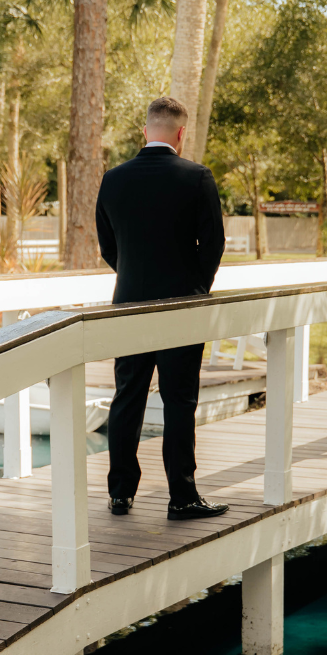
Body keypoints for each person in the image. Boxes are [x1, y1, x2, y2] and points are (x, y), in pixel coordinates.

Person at [96, 97, 228, 521]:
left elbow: (108, 246)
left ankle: (120, 494)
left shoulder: (113, 179)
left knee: (127, 398)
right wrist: (194, 289)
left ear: (145, 130)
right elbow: (213, 245)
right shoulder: (197, 177)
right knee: (179, 402)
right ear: (181, 134)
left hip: (128, 304)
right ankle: (182, 497)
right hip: (182, 307)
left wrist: (134, 277)